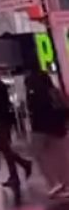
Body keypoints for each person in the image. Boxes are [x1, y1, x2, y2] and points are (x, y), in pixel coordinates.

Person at [0, 67, 31, 193]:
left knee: (4, 147)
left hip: (1, 122)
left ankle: (22, 168)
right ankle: (18, 171)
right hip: (1, 121)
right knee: (4, 148)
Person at [25, 69, 69, 197]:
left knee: (40, 155)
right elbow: (66, 109)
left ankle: (54, 183)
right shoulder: (55, 92)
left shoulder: (34, 93)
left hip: (41, 129)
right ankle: (65, 185)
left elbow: (34, 111)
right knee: (61, 157)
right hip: (58, 128)